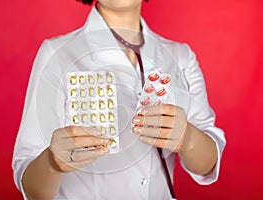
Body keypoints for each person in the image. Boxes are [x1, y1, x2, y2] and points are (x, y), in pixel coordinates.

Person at [12, 0, 226, 199]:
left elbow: (207, 164)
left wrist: (188, 139)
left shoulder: (181, 57)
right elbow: (30, 183)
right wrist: (52, 163)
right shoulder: (56, 53)